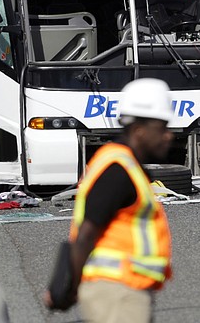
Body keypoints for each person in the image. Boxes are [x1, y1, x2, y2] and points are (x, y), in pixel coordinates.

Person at [45, 78, 175, 322]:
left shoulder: (123, 165)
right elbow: (86, 233)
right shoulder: (118, 170)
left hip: (120, 288)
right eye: (162, 127)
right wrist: (68, 288)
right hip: (116, 291)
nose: (169, 136)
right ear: (139, 130)